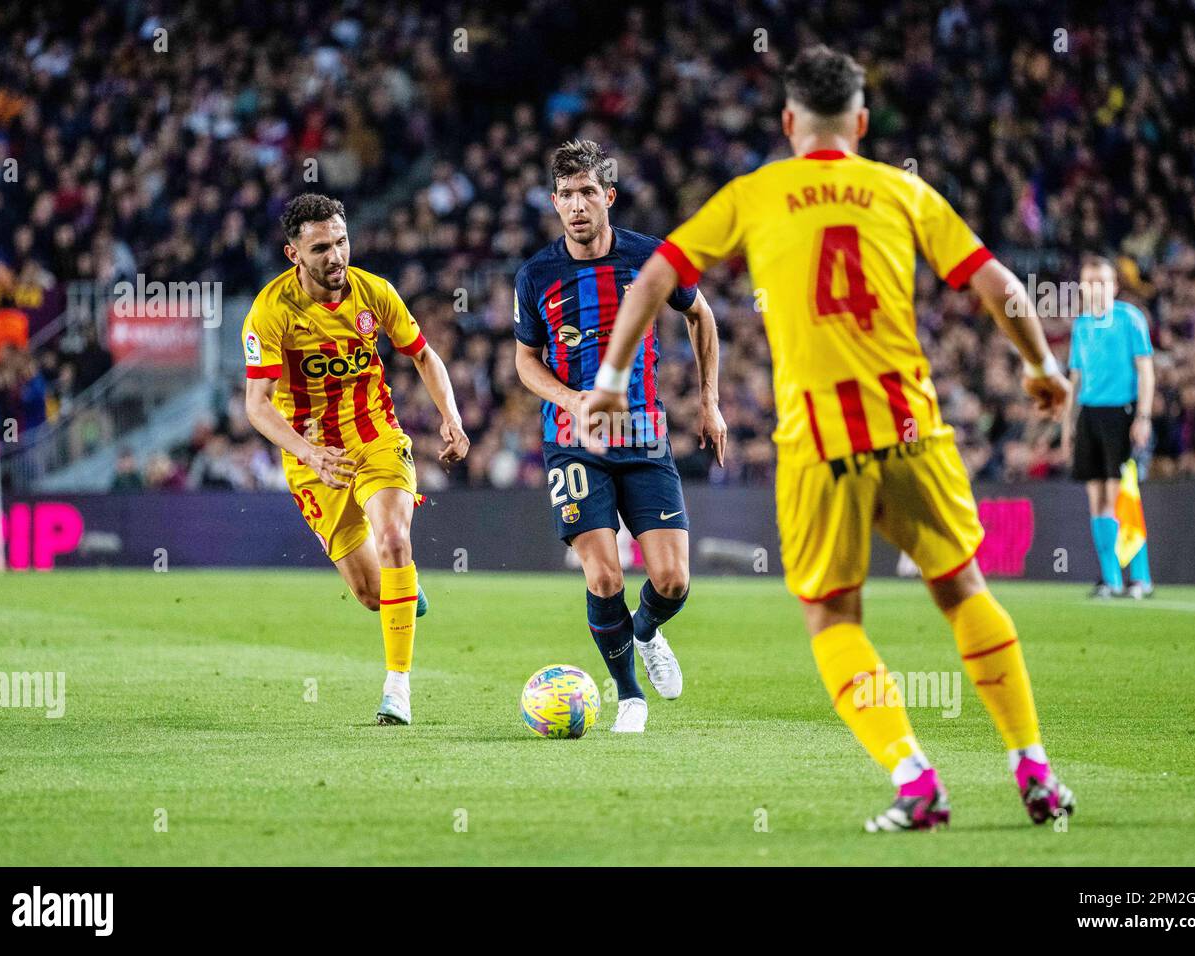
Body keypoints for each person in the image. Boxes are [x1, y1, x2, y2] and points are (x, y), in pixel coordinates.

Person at [583, 47, 1076, 830]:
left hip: (818, 444)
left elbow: (653, 281)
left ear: (788, 122)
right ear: (862, 122)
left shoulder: (754, 193)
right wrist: (1042, 367)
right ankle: (1035, 769)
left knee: (835, 618)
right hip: (912, 431)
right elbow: (1002, 286)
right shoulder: (901, 188)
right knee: (963, 591)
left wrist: (610, 380)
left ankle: (915, 781)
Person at [513, 140, 726, 733]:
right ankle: (629, 696)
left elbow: (701, 314)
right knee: (604, 575)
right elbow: (525, 360)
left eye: (588, 192)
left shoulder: (651, 258)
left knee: (672, 581)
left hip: (644, 436)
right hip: (573, 439)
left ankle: (646, 632)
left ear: (608, 196)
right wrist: (570, 399)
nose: (577, 205)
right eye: (566, 195)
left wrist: (710, 403)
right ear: (554, 202)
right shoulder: (536, 275)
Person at [243, 193, 469, 725]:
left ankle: (398, 688)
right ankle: (403, 589)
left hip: (376, 437)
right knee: (371, 594)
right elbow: (257, 405)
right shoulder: (270, 311)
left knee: (393, 539)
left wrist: (452, 417)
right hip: (312, 457)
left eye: (341, 242)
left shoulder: (374, 292)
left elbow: (423, 355)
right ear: (293, 254)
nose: (336, 256)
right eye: (320, 248)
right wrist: (310, 454)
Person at [1061, 255, 1156, 598]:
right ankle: (1111, 578)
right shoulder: (1082, 326)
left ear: (1114, 286)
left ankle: (1141, 577)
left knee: (1121, 496)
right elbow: (1075, 379)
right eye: (1089, 282)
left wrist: (1143, 416)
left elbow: (1145, 370)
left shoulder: (1130, 319)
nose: (1096, 288)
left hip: (1122, 413)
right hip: (1090, 414)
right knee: (1096, 496)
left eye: (1102, 282)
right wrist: (1067, 425)